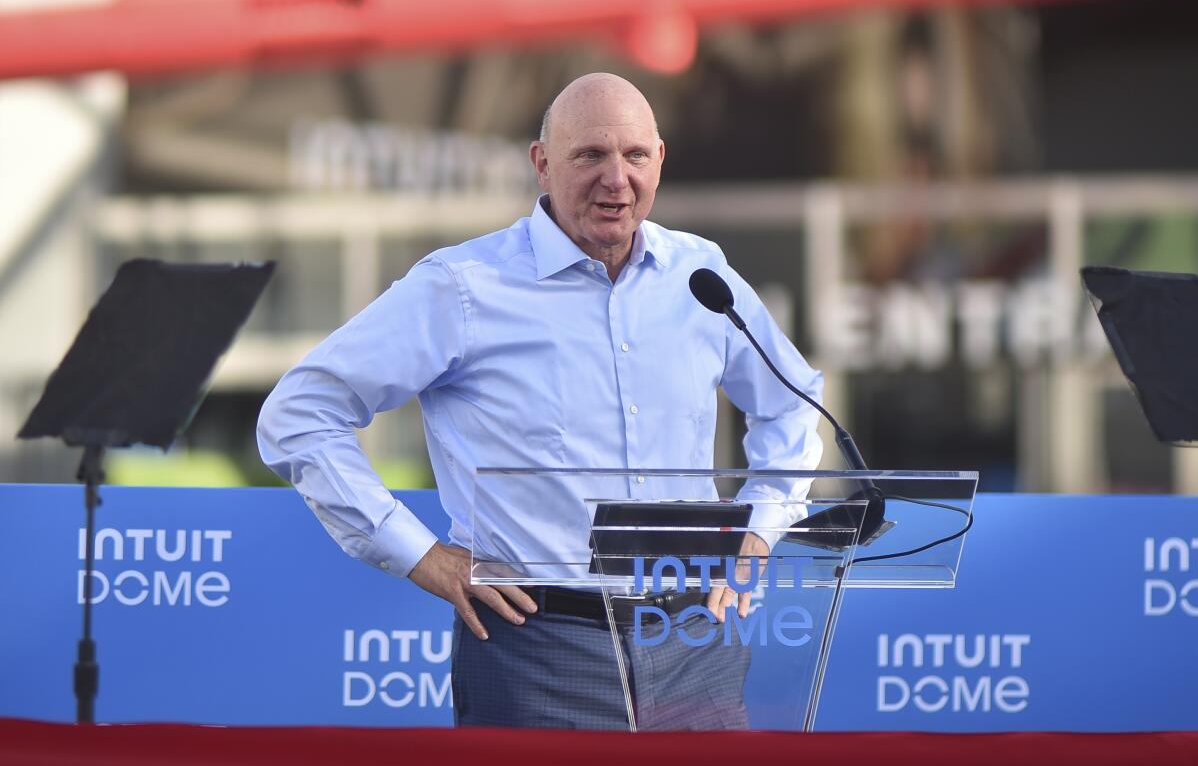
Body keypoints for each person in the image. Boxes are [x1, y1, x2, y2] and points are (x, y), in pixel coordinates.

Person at [257, 72, 823, 729]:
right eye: (590, 155)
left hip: (697, 640)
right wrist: (419, 555)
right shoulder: (465, 286)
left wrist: (760, 525)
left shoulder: (700, 275)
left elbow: (792, 397)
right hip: (540, 649)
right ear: (542, 164)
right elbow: (299, 413)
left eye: (635, 155)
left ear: (659, 161)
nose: (617, 178)